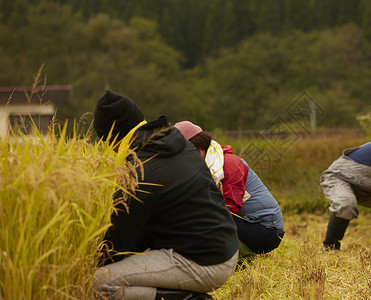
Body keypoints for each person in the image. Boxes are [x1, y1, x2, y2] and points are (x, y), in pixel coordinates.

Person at [92, 90, 239, 300]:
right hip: (223, 246)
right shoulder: (177, 142)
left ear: (112, 140)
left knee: (99, 282)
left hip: (204, 262)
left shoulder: (140, 170)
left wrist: (87, 267)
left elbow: (119, 240)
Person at [174, 121, 285, 257]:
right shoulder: (203, 166)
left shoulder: (229, 164)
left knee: (202, 223)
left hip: (267, 230)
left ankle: (237, 256)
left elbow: (227, 209)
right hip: (244, 223)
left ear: (197, 148)